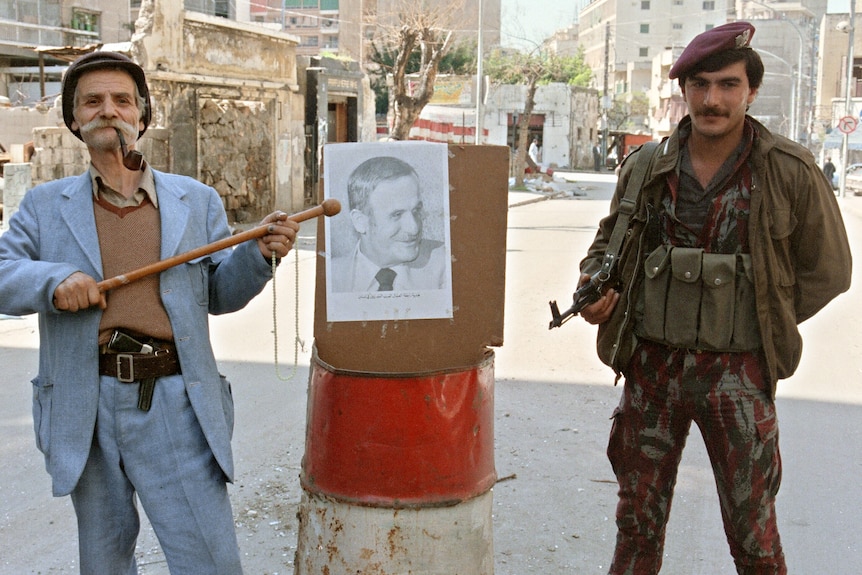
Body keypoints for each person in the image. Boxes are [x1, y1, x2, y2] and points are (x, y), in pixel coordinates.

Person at [0, 51, 299, 574]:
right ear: (74, 120)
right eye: (92, 102)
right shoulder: (45, 206)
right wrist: (52, 281)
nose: (108, 111)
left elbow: (221, 293)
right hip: (84, 405)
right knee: (105, 560)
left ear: (142, 116)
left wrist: (259, 255)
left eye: (122, 101)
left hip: (174, 401)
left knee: (208, 558)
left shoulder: (195, 200)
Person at [576, 22, 851, 575]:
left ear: (751, 91)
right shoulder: (646, 166)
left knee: (754, 536)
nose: (712, 100)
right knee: (637, 528)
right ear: (684, 92)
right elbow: (606, 246)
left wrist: (762, 313)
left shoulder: (787, 171)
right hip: (652, 368)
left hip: (738, 374)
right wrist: (596, 292)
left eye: (728, 85)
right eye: (699, 85)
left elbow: (830, 270)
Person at [331, 155, 447, 292]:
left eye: (416, 210)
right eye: (397, 215)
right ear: (360, 222)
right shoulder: (332, 277)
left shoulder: (445, 263)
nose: (414, 228)